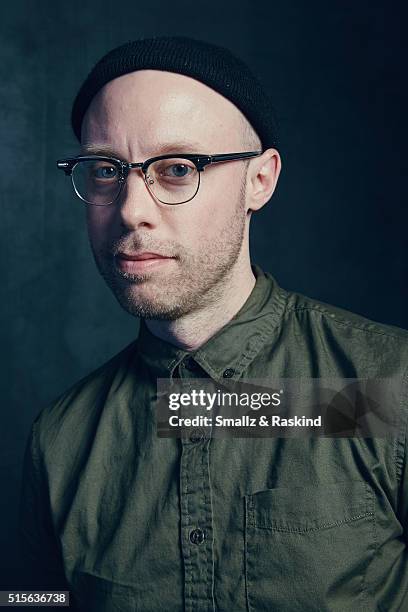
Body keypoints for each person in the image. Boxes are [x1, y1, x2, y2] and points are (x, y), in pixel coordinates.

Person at [18, 36, 408, 612]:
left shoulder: (387, 388)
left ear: (260, 180)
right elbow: (31, 599)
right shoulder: (60, 440)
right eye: (105, 170)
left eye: (177, 169)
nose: (130, 208)